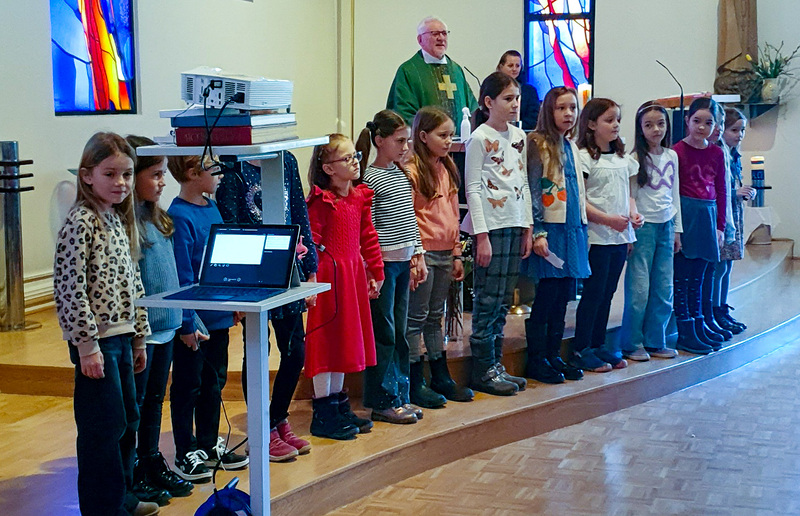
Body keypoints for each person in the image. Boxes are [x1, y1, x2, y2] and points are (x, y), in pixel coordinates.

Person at [54, 132, 158, 516]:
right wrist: (87, 346)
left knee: (128, 419)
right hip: (97, 343)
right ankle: (103, 508)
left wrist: (140, 338)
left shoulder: (116, 219)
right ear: (86, 176)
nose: (121, 183)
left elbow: (133, 282)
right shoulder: (81, 222)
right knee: (103, 428)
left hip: (123, 337)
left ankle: (123, 498)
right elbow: (69, 289)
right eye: (110, 174)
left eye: (128, 174)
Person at [216, 152, 318, 462]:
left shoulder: (286, 160)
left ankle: (277, 418)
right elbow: (230, 222)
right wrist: (230, 288)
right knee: (258, 351)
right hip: (250, 273)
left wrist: (310, 264)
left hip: (286, 267)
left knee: (295, 350)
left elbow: (298, 212)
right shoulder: (233, 162)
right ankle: (263, 430)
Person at [167, 155, 248, 482]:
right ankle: (185, 451)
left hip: (218, 318)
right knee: (189, 386)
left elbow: (224, 260)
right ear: (191, 172)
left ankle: (208, 442)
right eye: (213, 169)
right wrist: (187, 322)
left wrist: (235, 302)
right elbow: (182, 276)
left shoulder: (211, 207)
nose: (220, 175)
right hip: (194, 325)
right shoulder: (179, 216)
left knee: (214, 383)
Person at [126, 136, 195, 504]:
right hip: (144, 331)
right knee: (137, 404)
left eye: (163, 174)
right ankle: (136, 466)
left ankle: (152, 458)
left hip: (167, 326)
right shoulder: (128, 225)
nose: (162, 181)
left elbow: (174, 276)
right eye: (154, 174)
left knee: (155, 399)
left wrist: (185, 317)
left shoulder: (160, 218)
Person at [355, 110, 434, 420]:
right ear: (379, 140)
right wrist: (372, 270)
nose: (405, 147)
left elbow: (409, 220)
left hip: (402, 263)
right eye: (399, 141)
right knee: (384, 333)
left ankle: (400, 394)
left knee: (398, 331)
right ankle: (382, 399)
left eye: (407, 141)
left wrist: (418, 255)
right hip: (384, 267)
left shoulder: (400, 173)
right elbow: (370, 228)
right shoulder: (370, 178)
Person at [305, 134, 385, 439]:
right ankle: (322, 412)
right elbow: (309, 243)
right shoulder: (320, 201)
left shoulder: (359, 196)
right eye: (347, 158)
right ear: (327, 168)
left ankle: (338, 405)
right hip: (329, 279)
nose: (355, 162)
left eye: (356, 156)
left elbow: (368, 235)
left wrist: (374, 271)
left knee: (343, 343)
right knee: (327, 343)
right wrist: (310, 279)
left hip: (351, 276)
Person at [464, 71, 533, 396]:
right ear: (488, 102)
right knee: (488, 299)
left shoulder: (519, 136)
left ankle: (496, 365)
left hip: (514, 224)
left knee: (504, 299)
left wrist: (528, 227)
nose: (514, 104)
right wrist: (481, 235)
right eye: (508, 98)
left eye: (517, 98)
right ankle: (482, 370)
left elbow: (523, 182)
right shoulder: (478, 138)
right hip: (490, 228)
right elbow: (473, 188)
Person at [405, 106, 475, 403]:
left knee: (437, 316)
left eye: (450, 135)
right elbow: (408, 218)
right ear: (422, 136)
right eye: (442, 135)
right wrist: (415, 257)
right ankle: (413, 380)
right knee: (416, 318)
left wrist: (458, 253)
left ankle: (441, 375)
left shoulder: (447, 168)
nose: (449, 141)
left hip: (446, 253)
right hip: (424, 255)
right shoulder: (412, 170)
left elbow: (452, 214)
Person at [521, 86, 588, 384]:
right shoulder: (537, 143)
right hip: (550, 231)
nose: (568, 114)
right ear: (549, 110)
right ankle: (536, 359)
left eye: (573, 108)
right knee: (547, 296)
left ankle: (554, 354)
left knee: (564, 296)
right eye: (562, 108)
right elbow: (534, 190)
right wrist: (538, 231)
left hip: (571, 229)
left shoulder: (571, 145)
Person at [572, 98, 643, 372]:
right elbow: (581, 199)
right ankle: (582, 348)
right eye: (609, 120)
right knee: (594, 292)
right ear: (591, 124)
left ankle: (599, 344)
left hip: (619, 236)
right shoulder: (584, 157)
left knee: (608, 293)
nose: (615, 125)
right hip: (597, 236)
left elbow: (627, 194)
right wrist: (607, 220)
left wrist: (633, 214)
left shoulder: (623, 158)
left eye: (617, 120)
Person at [619, 102, 682, 362]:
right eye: (649, 125)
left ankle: (657, 340)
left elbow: (674, 193)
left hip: (666, 226)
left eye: (660, 124)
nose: (656, 129)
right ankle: (632, 343)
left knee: (664, 287)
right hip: (642, 229)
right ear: (640, 129)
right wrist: (629, 233)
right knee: (639, 289)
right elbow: (629, 197)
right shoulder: (633, 160)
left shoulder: (672, 155)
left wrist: (677, 229)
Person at [672, 97, 728, 355]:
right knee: (683, 276)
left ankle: (700, 323)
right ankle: (685, 330)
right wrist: (677, 228)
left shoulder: (716, 152)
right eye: (697, 121)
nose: (702, 127)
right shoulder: (677, 152)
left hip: (707, 215)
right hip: (686, 214)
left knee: (701, 276)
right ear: (687, 121)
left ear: (715, 126)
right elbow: (671, 192)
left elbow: (721, 190)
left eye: (708, 123)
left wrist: (720, 226)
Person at [386, 16, 478, 134]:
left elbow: (472, 108)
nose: (441, 38)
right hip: (424, 148)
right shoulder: (408, 71)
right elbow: (403, 113)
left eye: (444, 33)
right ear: (420, 40)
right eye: (435, 34)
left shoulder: (456, 70)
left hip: (461, 148)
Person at [714, 107, 754, 332]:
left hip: (734, 215)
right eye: (734, 130)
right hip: (722, 216)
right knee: (719, 268)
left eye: (742, 130)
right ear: (722, 130)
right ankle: (713, 310)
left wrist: (745, 191)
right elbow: (716, 188)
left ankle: (722, 307)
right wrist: (735, 192)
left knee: (727, 267)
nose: (739, 135)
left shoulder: (734, 154)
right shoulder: (717, 153)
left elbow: (734, 186)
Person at [496, 50, 540, 130]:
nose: (514, 69)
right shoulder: (492, 87)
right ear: (501, 66)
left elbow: (533, 119)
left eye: (517, 66)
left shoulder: (529, 91)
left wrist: (512, 127)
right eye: (510, 65)